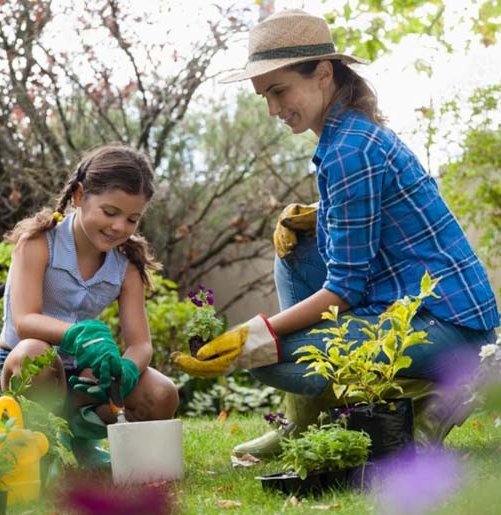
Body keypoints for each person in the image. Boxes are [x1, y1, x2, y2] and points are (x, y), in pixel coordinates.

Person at [172, 9, 499, 457]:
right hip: (415, 301)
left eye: (279, 90)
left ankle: (454, 386)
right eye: (264, 95)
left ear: (323, 73)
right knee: (292, 251)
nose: (271, 109)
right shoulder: (348, 136)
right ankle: (301, 423)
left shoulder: (350, 150)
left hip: (451, 325)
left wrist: (254, 334)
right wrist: (318, 215)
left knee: (269, 363)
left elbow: (344, 289)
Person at [0, 144, 179, 467]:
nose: (119, 227)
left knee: (162, 393)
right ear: (79, 196)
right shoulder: (38, 243)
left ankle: (84, 442)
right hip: (27, 369)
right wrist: (80, 334)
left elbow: (140, 344)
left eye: (132, 219)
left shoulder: (127, 266)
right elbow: (24, 321)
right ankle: (42, 452)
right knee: (35, 353)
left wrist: (125, 371)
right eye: (110, 212)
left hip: (82, 377)